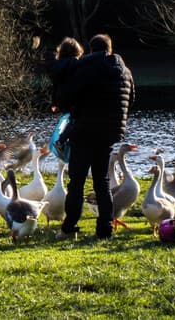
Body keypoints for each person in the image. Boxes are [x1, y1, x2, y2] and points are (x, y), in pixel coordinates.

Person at [54, 33, 135, 240]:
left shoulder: (86, 69)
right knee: (102, 181)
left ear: (91, 50)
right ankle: (104, 230)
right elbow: (131, 98)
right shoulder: (125, 72)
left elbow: (68, 97)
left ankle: (69, 228)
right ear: (110, 49)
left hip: (84, 131)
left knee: (77, 182)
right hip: (109, 133)